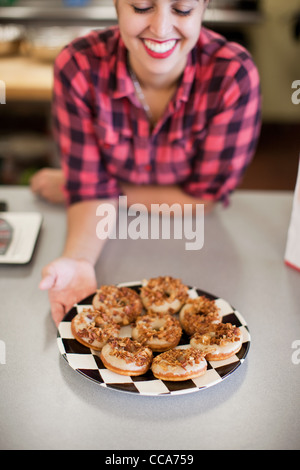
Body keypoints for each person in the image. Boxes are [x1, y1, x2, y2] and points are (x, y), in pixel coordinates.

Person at [38, 0, 261, 326]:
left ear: (203, 8)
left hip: (201, 240)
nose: (161, 28)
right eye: (142, 7)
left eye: (183, 9)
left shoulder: (233, 75)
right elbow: (89, 191)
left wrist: (98, 190)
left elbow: (203, 199)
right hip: (107, 240)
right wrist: (78, 260)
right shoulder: (79, 65)